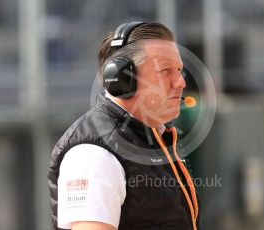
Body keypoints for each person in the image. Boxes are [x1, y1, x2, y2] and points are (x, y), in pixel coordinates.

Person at [48, 21, 201, 230]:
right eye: (165, 70)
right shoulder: (93, 156)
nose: (180, 82)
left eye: (179, 70)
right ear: (123, 79)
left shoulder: (153, 138)